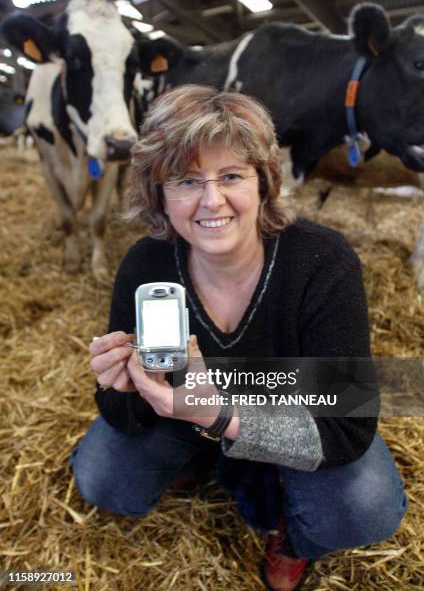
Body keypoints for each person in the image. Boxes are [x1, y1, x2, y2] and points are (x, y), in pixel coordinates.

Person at [71, 85, 408, 591]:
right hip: (186, 407)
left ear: (264, 182)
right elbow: (123, 412)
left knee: (363, 510)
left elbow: (348, 427)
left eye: (231, 175)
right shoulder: (146, 263)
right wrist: (123, 390)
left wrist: (221, 415)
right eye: (185, 180)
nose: (212, 201)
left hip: (287, 412)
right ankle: (210, 453)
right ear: (159, 192)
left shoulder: (322, 261)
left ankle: (295, 538)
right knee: (103, 479)